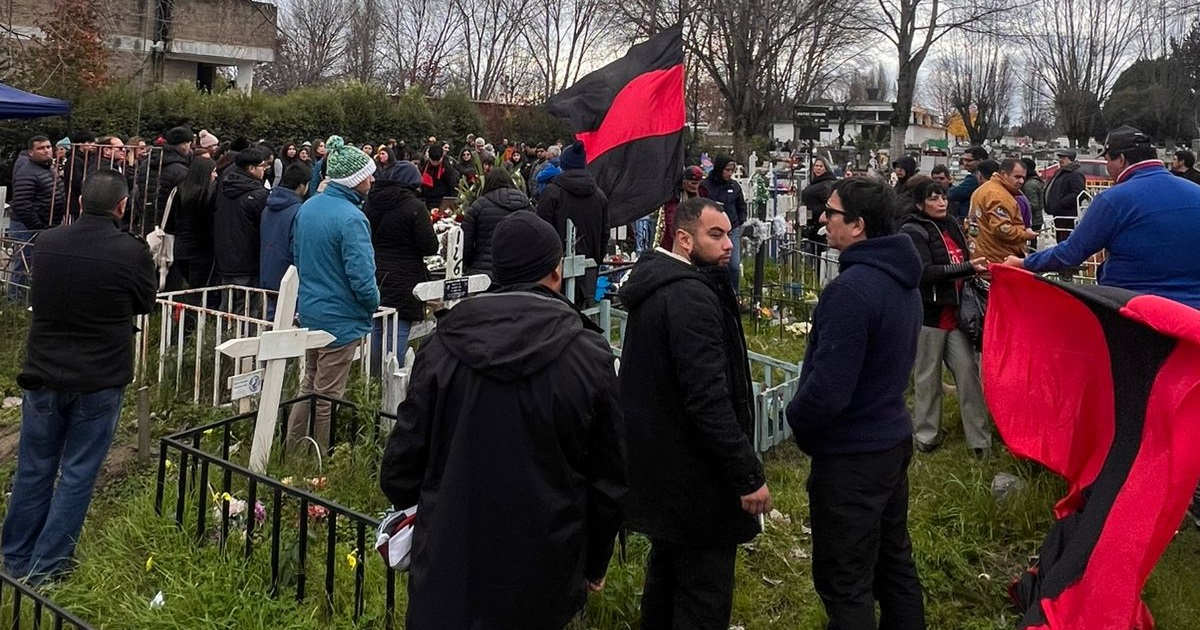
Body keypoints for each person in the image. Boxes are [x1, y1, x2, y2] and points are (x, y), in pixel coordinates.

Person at [379, 211, 625, 630]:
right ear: (555, 269)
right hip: (545, 557)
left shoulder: (442, 349)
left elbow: (402, 461)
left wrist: (422, 511)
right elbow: (609, 477)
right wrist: (595, 559)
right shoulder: (589, 355)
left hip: (453, 554)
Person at [619, 197, 771, 630]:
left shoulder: (668, 286)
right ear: (684, 240)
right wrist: (746, 474)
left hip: (666, 474)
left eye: (728, 234)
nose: (728, 245)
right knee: (702, 595)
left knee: (667, 577)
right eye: (715, 235)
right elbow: (708, 399)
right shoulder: (690, 299)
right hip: (697, 481)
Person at [2, 169, 156, 585]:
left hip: (45, 370)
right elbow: (145, 302)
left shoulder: (48, 242)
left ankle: (14, 558)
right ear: (122, 206)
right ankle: (48, 567)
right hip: (100, 376)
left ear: (80, 202)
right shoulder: (131, 251)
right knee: (77, 472)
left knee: (34, 467)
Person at [785, 177, 926, 629]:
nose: (823, 220)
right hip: (890, 439)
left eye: (832, 212)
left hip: (851, 455)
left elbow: (829, 390)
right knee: (893, 563)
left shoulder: (852, 290)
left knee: (846, 581)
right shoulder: (901, 278)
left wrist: (797, 420)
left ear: (859, 225)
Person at [1004, 125, 1200, 309]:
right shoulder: (1196, 192)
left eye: (1107, 160)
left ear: (1121, 159)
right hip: (1192, 317)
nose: (1107, 168)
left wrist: (1024, 263)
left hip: (1135, 310)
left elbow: (1071, 253)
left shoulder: (1114, 199)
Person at [286, 137, 379, 452]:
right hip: (341, 317)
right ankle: (318, 460)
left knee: (309, 384)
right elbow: (362, 277)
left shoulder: (309, 206)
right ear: (354, 180)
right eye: (368, 174)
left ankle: (293, 450)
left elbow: (297, 258)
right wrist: (372, 303)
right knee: (327, 396)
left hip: (311, 309)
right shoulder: (352, 218)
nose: (373, 179)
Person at [898, 179, 991, 454]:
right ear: (919, 204)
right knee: (927, 378)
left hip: (957, 315)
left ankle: (980, 441)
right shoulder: (912, 231)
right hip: (930, 315)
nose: (941, 203)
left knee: (968, 376)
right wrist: (965, 268)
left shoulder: (951, 225)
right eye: (933, 198)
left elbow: (962, 260)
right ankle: (927, 436)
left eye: (943, 197)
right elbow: (924, 272)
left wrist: (972, 269)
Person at [363, 160, 439, 374]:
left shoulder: (371, 202)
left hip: (375, 269)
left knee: (377, 325)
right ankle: (393, 377)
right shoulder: (414, 206)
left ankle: (375, 377)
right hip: (405, 273)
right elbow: (429, 246)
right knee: (399, 326)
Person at [536, 141, 608, 305]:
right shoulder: (599, 196)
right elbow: (605, 234)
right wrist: (596, 261)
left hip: (554, 272)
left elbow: (541, 231)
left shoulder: (552, 193)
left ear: (563, 164)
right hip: (588, 267)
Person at [213, 147, 271, 313]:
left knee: (227, 305)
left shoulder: (222, 187)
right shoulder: (259, 195)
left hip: (224, 257)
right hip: (248, 260)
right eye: (262, 166)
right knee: (246, 308)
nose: (265, 170)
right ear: (251, 168)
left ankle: (223, 336)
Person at [7, 136, 65, 298]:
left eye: (48, 146)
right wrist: (39, 225)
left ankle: (30, 297)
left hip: (47, 223)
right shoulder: (27, 172)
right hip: (27, 226)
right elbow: (22, 203)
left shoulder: (49, 168)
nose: (46, 150)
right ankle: (15, 299)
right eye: (40, 148)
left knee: (35, 263)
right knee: (23, 262)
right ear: (31, 152)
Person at [260, 162, 312, 318]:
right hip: (290, 278)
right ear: (302, 185)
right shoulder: (298, 211)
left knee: (270, 321)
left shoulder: (267, 207)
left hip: (267, 274)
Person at [463, 167, 535, 279]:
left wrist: (469, 264)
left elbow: (466, 241)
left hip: (484, 272)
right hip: (520, 270)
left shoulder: (479, 205)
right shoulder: (526, 204)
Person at [966, 158, 1036, 266]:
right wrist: (1025, 234)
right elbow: (1002, 229)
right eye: (1017, 177)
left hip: (979, 254)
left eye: (1023, 178)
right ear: (1004, 174)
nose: (1021, 181)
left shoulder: (983, 189)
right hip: (998, 258)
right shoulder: (999, 196)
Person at [170, 157, 220, 303]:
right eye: (213, 172)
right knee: (197, 289)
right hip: (203, 249)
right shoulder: (209, 195)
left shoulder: (179, 191)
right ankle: (189, 322)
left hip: (181, 246)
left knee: (189, 286)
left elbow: (172, 220)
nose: (215, 176)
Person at [704, 156, 748, 295]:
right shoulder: (706, 186)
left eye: (732, 170)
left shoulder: (734, 186)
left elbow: (741, 206)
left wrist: (740, 220)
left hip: (731, 230)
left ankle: (734, 294)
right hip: (711, 230)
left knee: (733, 265)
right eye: (727, 170)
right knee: (712, 262)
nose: (729, 173)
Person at [657, 165, 707, 252]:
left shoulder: (702, 192)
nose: (695, 187)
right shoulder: (674, 196)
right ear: (684, 182)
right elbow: (671, 218)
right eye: (693, 183)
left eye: (698, 183)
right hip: (675, 238)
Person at [1043, 149, 1086, 243]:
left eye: (1063, 158)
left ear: (1070, 159)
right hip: (1059, 213)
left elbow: (1079, 192)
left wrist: (1062, 202)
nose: (1060, 160)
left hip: (1067, 215)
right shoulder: (1061, 172)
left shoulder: (1074, 173)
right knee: (1060, 239)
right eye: (1060, 157)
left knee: (1065, 241)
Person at [801, 157, 837, 241]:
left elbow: (829, 202)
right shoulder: (816, 182)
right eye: (816, 166)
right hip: (810, 222)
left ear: (826, 168)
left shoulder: (826, 184)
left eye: (821, 166)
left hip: (819, 224)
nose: (818, 168)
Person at [947, 146, 988, 220]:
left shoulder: (974, 179)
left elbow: (953, 194)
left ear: (980, 161)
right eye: (963, 160)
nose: (965, 163)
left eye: (969, 160)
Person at [418, 144, 459, 209]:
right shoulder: (424, 167)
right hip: (427, 200)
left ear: (442, 157)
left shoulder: (448, 169)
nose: (435, 163)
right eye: (433, 161)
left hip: (443, 201)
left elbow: (453, 188)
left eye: (437, 161)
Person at [1020, 157, 1046, 247]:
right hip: (1036, 220)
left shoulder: (1029, 185)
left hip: (1032, 221)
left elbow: (1033, 205)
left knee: (1030, 246)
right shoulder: (1035, 181)